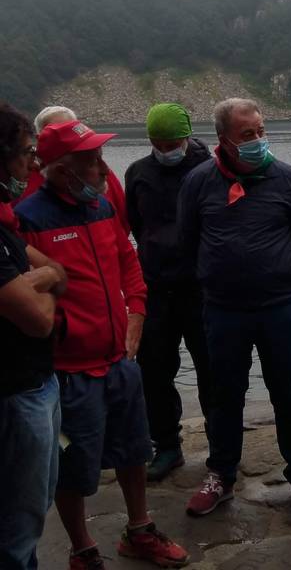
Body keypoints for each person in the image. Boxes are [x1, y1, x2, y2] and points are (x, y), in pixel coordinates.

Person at [15, 120, 189, 570]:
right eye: (91, 161)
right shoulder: (28, 219)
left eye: (100, 158)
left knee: (135, 451)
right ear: (61, 170)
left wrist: (136, 315)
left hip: (119, 361)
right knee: (71, 466)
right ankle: (83, 549)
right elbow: (25, 295)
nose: (102, 169)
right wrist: (63, 332)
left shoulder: (102, 207)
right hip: (67, 373)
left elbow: (129, 262)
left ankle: (140, 530)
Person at [178, 98, 291, 516]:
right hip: (223, 309)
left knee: (288, 391)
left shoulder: (289, 179)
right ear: (223, 139)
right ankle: (221, 474)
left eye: (261, 131)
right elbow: (187, 240)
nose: (258, 140)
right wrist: (218, 274)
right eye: (247, 134)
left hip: (279, 307)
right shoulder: (198, 182)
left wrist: (278, 269)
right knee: (225, 394)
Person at [125, 103, 213, 481]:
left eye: (172, 143)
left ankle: (221, 442)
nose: (165, 150)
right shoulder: (138, 173)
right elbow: (135, 224)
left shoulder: (209, 170)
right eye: (158, 144)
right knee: (155, 370)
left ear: (186, 136)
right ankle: (167, 445)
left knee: (212, 368)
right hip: (156, 287)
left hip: (200, 288)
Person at [0, 103, 66, 570]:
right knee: (17, 525)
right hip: (15, 395)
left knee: (35, 505)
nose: (33, 163)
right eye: (26, 152)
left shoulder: (4, 227)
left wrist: (41, 280)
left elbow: (57, 271)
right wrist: (47, 283)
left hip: (38, 384)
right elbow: (38, 320)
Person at [26, 106, 130, 234]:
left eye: (71, 129)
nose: (68, 136)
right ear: (39, 139)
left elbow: (123, 221)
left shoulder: (103, 177)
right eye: (55, 132)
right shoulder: (25, 183)